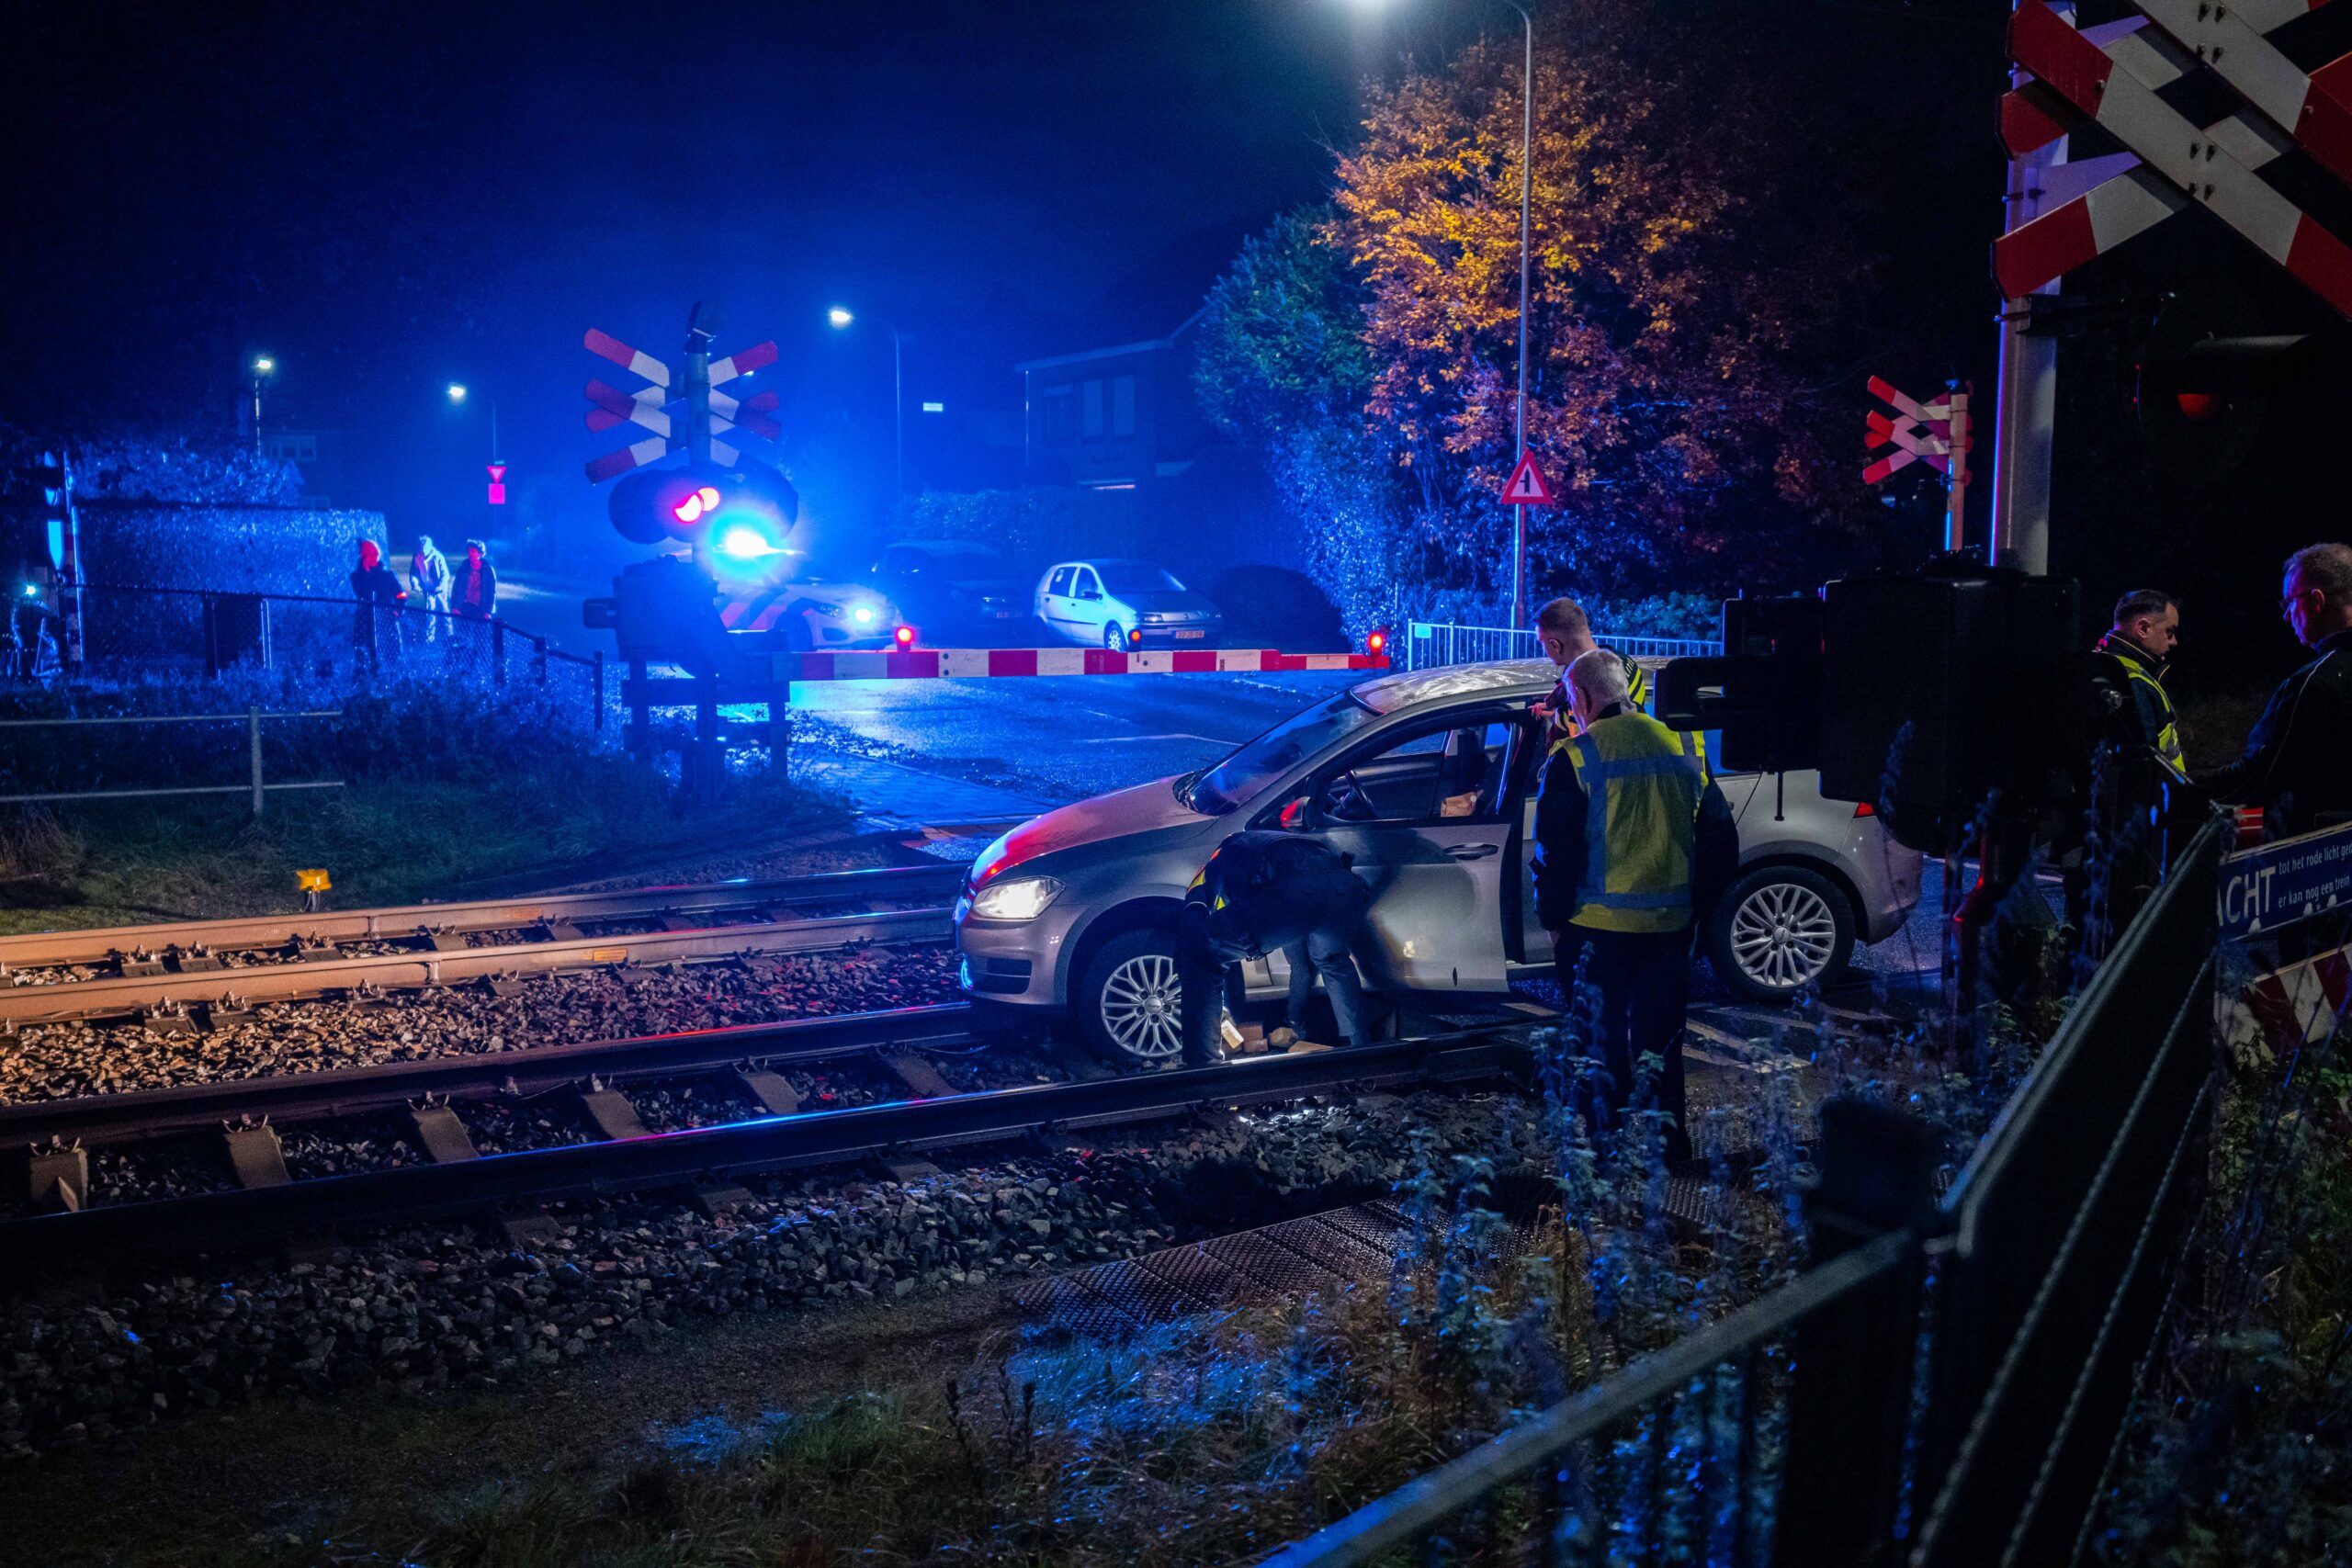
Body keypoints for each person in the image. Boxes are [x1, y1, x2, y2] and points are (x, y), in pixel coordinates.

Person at [1533, 650, 1737, 1165]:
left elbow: (1555, 856)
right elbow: (1719, 840)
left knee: (1598, 1047)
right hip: (1668, 930)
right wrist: (1697, 912)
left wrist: (1554, 923)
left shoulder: (1576, 757)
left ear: (1581, 698)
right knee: (1663, 1048)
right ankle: (1672, 1154)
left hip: (1595, 931)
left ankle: (1606, 1155)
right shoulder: (1684, 747)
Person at [1178, 829, 1381, 1067]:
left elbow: (1221, 913)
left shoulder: (1221, 858)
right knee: (1332, 960)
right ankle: (1363, 1051)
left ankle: (1203, 1068)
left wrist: (1192, 932)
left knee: (1201, 954)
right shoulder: (1271, 841)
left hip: (1298, 890)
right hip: (1345, 887)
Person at [2199, 543, 2352, 840]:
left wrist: (2178, 788)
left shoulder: (2313, 685)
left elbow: (2257, 782)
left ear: (2316, 601)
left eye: (2289, 603)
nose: (2286, 617)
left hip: (2313, 861)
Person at [347, 539, 405, 669]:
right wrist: (366, 571)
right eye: (371, 556)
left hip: (387, 619)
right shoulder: (356, 577)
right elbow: (362, 592)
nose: (375, 558)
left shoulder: (388, 576)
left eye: (375, 555)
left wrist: (397, 611)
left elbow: (401, 595)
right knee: (363, 653)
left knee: (391, 653)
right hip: (365, 621)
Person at [409, 535, 452, 641]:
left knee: (444, 611)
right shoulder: (416, 557)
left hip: (439, 590)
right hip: (427, 589)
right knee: (430, 612)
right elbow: (413, 573)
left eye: (425, 547)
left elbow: (445, 574)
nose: (422, 550)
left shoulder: (437, 556)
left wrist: (440, 586)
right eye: (421, 547)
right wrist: (415, 584)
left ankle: (450, 636)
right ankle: (430, 638)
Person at [453, 538, 498, 623]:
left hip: (481, 608)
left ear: (480, 554)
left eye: (473, 551)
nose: (470, 554)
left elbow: (491, 592)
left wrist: (488, 611)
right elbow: (456, 588)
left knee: (479, 634)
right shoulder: (463, 568)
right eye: (469, 551)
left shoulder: (487, 570)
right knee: (462, 633)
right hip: (464, 607)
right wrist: (455, 607)